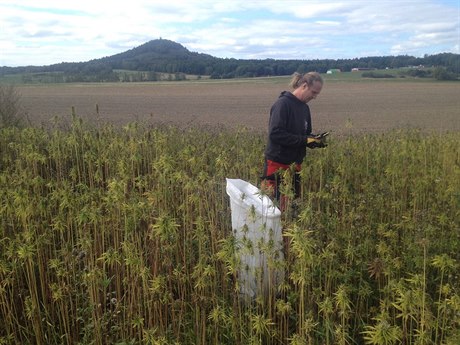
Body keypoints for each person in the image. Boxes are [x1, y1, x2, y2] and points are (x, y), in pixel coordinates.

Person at [261, 71, 328, 212]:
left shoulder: (305, 108)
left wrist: (314, 140)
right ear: (304, 86)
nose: (314, 97)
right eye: (313, 92)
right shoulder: (282, 104)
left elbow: (305, 134)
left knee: (291, 207)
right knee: (272, 208)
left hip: (296, 165)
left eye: (317, 94)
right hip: (277, 164)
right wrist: (304, 140)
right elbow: (275, 134)